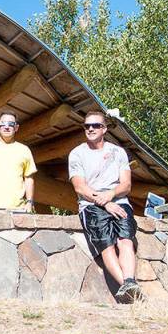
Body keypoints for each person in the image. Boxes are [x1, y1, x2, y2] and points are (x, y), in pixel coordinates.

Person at [68, 110, 142, 303]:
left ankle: (129, 281)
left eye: (95, 126)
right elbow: (80, 187)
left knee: (125, 240)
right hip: (90, 206)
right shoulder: (77, 153)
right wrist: (105, 202)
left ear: (104, 129)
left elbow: (126, 185)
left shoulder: (118, 152)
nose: (90, 129)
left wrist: (111, 195)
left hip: (119, 202)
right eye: (87, 126)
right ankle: (129, 291)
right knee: (106, 246)